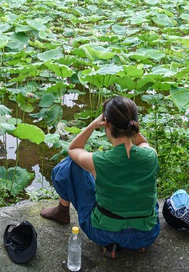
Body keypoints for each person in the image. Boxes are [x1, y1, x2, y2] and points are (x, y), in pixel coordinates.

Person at [40, 96, 160, 258]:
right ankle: (138, 246)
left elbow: (73, 148)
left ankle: (63, 211)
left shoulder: (100, 161)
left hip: (103, 233)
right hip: (146, 234)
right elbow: (141, 143)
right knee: (149, 199)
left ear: (107, 124)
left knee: (70, 165)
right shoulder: (151, 155)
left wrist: (92, 125)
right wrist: (130, 125)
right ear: (135, 125)